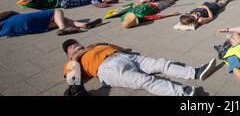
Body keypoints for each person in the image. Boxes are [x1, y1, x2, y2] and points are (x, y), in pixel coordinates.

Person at [62, 39, 217, 96]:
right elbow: (73, 80)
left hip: (125, 57)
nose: (75, 46)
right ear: (68, 54)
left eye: (76, 43)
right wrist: (75, 57)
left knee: (161, 64)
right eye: (71, 47)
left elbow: (117, 47)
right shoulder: (72, 62)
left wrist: (117, 48)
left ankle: (195, 72)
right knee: (146, 80)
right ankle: (183, 93)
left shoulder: (93, 46)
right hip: (108, 69)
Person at [0, 10, 102, 37]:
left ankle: (83, 25)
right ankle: (63, 28)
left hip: (19, 30)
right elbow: (11, 12)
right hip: (19, 20)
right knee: (56, 12)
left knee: (56, 20)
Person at [120, 0, 187, 29]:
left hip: (155, 7)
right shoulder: (124, 16)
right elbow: (133, 6)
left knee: (169, 2)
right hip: (146, 3)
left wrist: (172, 14)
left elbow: (157, 17)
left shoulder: (142, 17)